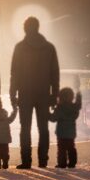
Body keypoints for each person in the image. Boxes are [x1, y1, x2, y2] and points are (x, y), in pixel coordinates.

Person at [9, 16, 60, 169]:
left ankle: (26, 161)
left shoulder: (20, 47)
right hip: (44, 93)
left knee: (25, 128)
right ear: (38, 28)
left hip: (25, 93)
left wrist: (13, 94)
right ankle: (43, 161)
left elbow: (15, 73)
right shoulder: (49, 47)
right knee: (43, 128)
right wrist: (54, 95)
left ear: (25, 28)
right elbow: (54, 73)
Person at [50, 87, 83, 168]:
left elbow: (53, 119)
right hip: (71, 133)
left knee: (61, 150)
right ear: (72, 97)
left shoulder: (59, 108)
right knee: (71, 148)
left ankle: (62, 163)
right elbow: (78, 105)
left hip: (61, 134)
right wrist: (79, 96)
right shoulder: (74, 108)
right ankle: (72, 163)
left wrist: (47, 114)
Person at [0, 100, 18, 169]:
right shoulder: (6, 119)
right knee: (5, 151)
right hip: (5, 139)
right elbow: (12, 116)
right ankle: (5, 163)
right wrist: (15, 109)